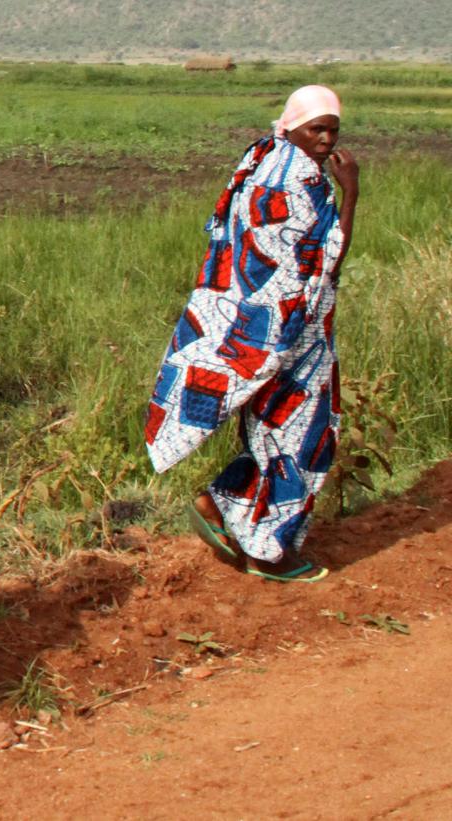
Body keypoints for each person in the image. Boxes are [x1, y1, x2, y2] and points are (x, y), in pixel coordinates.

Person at [144, 85, 359, 582]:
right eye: (317, 129)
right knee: (303, 434)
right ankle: (266, 549)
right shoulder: (297, 182)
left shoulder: (265, 160)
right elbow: (327, 260)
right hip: (290, 337)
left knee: (271, 431)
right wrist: (351, 193)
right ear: (294, 127)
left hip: (256, 329)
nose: (326, 140)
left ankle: (222, 506)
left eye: (332, 131)